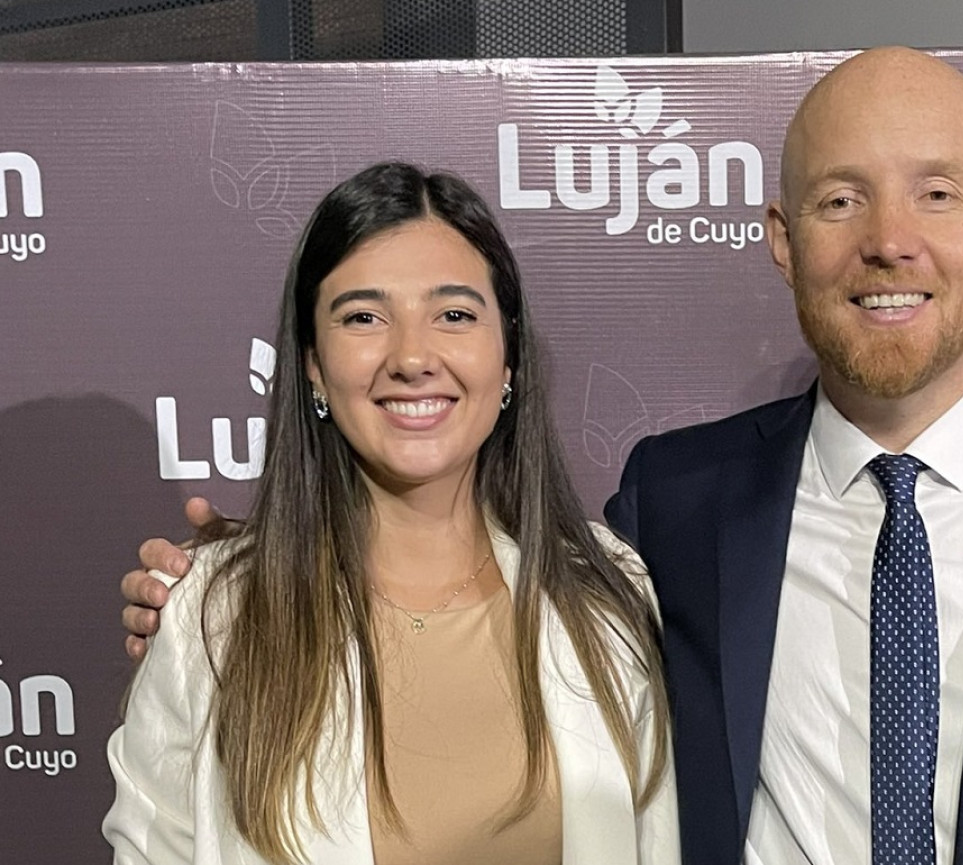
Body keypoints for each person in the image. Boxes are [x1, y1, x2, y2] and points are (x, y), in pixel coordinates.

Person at [123, 48, 963, 864]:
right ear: (780, 240)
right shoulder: (670, 511)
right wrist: (219, 588)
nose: (887, 239)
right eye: (836, 198)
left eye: (935, 193)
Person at [105, 162, 679, 865]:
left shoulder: (607, 592)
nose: (412, 356)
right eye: (365, 317)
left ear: (509, 360)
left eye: (455, 315)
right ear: (313, 364)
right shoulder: (215, 615)